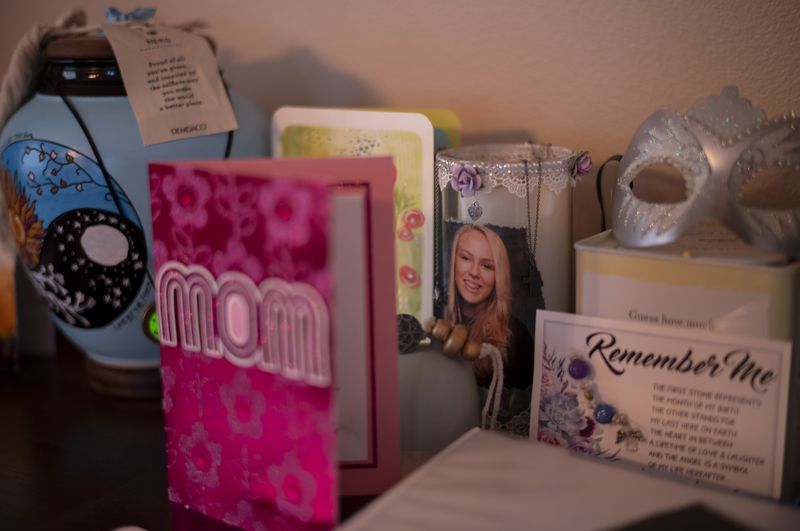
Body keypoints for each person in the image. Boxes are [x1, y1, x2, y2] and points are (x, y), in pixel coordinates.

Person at [446, 224, 533, 390]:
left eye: (486, 266)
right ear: (453, 261)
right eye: (466, 258)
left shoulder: (515, 335)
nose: (474, 272)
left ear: (498, 276)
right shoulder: (437, 318)